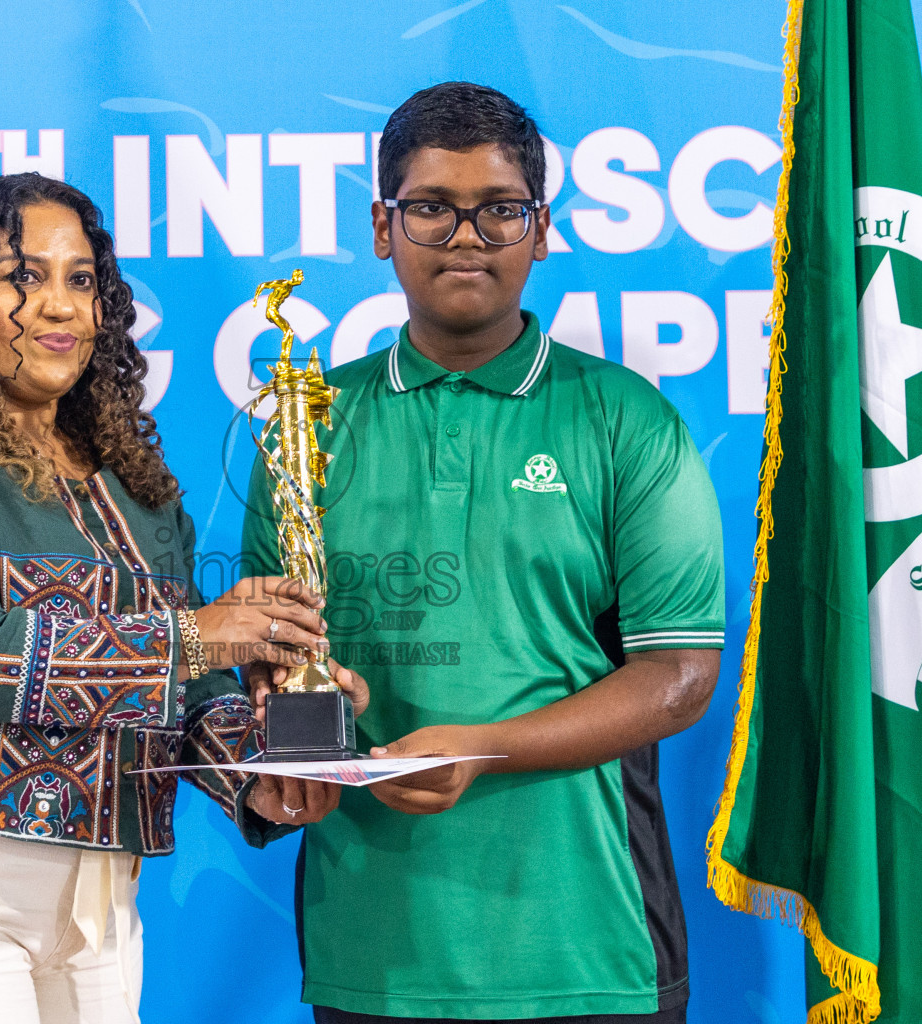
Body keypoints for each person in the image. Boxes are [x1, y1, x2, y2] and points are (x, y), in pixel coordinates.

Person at [0, 172, 365, 1024]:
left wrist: (266, 768)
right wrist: (198, 637)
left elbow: (184, 698)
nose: (59, 305)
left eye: (81, 279)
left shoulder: (137, 485)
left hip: (98, 898)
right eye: (24, 277)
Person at [242, 83, 724, 1023]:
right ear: (384, 228)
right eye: (432, 209)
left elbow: (680, 675)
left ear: (541, 231)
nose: (466, 237)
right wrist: (285, 740)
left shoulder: (626, 420)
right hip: (373, 954)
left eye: (499, 210)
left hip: (590, 949)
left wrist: (487, 747)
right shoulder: (303, 430)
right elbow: (260, 665)